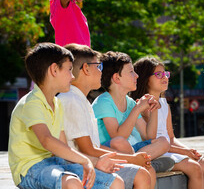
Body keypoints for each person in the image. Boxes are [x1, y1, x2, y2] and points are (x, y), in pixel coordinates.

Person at [8, 42, 124, 189]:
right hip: (30, 169)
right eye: (69, 70)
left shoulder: (57, 104)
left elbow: (63, 147)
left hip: (56, 163)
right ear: (54, 70)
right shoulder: (31, 103)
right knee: (72, 183)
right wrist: (86, 161)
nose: (72, 76)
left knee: (115, 181)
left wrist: (94, 161)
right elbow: (47, 140)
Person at [58, 43, 155, 189]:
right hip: (77, 165)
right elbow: (88, 149)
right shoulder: (72, 100)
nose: (101, 73)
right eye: (98, 67)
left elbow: (95, 146)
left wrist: (130, 158)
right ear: (86, 69)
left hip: (90, 159)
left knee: (142, 173)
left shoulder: (80, 100)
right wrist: (130, 159)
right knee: (133, 177)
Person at [131, 56, 204, 189]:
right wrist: (183, 152)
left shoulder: (164, 103)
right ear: (145, 78)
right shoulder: (143, 105)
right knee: (194, 168)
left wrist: (187, 150)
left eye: (165, 74)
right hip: (157, 152)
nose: (165, 77)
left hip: (169, 149)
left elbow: (170, 137)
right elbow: (151, 141)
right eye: (158, 74)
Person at [92, 51, 174, 175]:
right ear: (116, 78)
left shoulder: (129, 102)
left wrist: (154, 109)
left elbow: (148, 136)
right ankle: (143, 162)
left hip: (131, 149)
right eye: (131, 72)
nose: (136, 76)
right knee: (119, 142)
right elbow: (117, 136)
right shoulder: (104, 102)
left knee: (163, 141)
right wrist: (137, 109)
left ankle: (138, 161)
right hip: (111, 150)